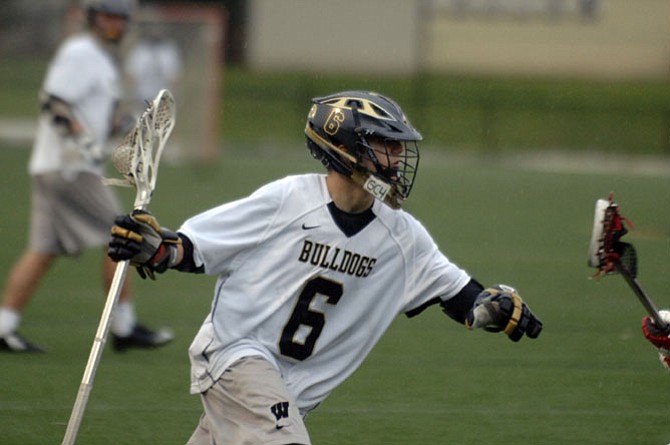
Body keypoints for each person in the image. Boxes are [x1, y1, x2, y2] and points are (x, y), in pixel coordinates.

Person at [108, 91, 543, 444]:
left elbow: (460, 296)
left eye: (398, 147)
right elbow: (194, 247)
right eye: (384, 144)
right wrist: (155, 248)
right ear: (346, 147)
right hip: (237, 356)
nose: (396, 158)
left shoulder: (402, 237)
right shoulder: (288, 200)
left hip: (290, 389)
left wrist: (493, 305)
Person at [0, 0, 173, 353]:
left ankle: (3, 328)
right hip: (70, 167)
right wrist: (80, 139)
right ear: (93, 17)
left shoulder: (100, 59)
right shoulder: (80, 52)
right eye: (107, 16)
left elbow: (96, 117)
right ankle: (124, 327)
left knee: (43, 249)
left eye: (119, 18)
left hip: (55, 166)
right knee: (124, 233)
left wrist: (127, 125)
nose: (114, 24)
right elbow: (55, 102)